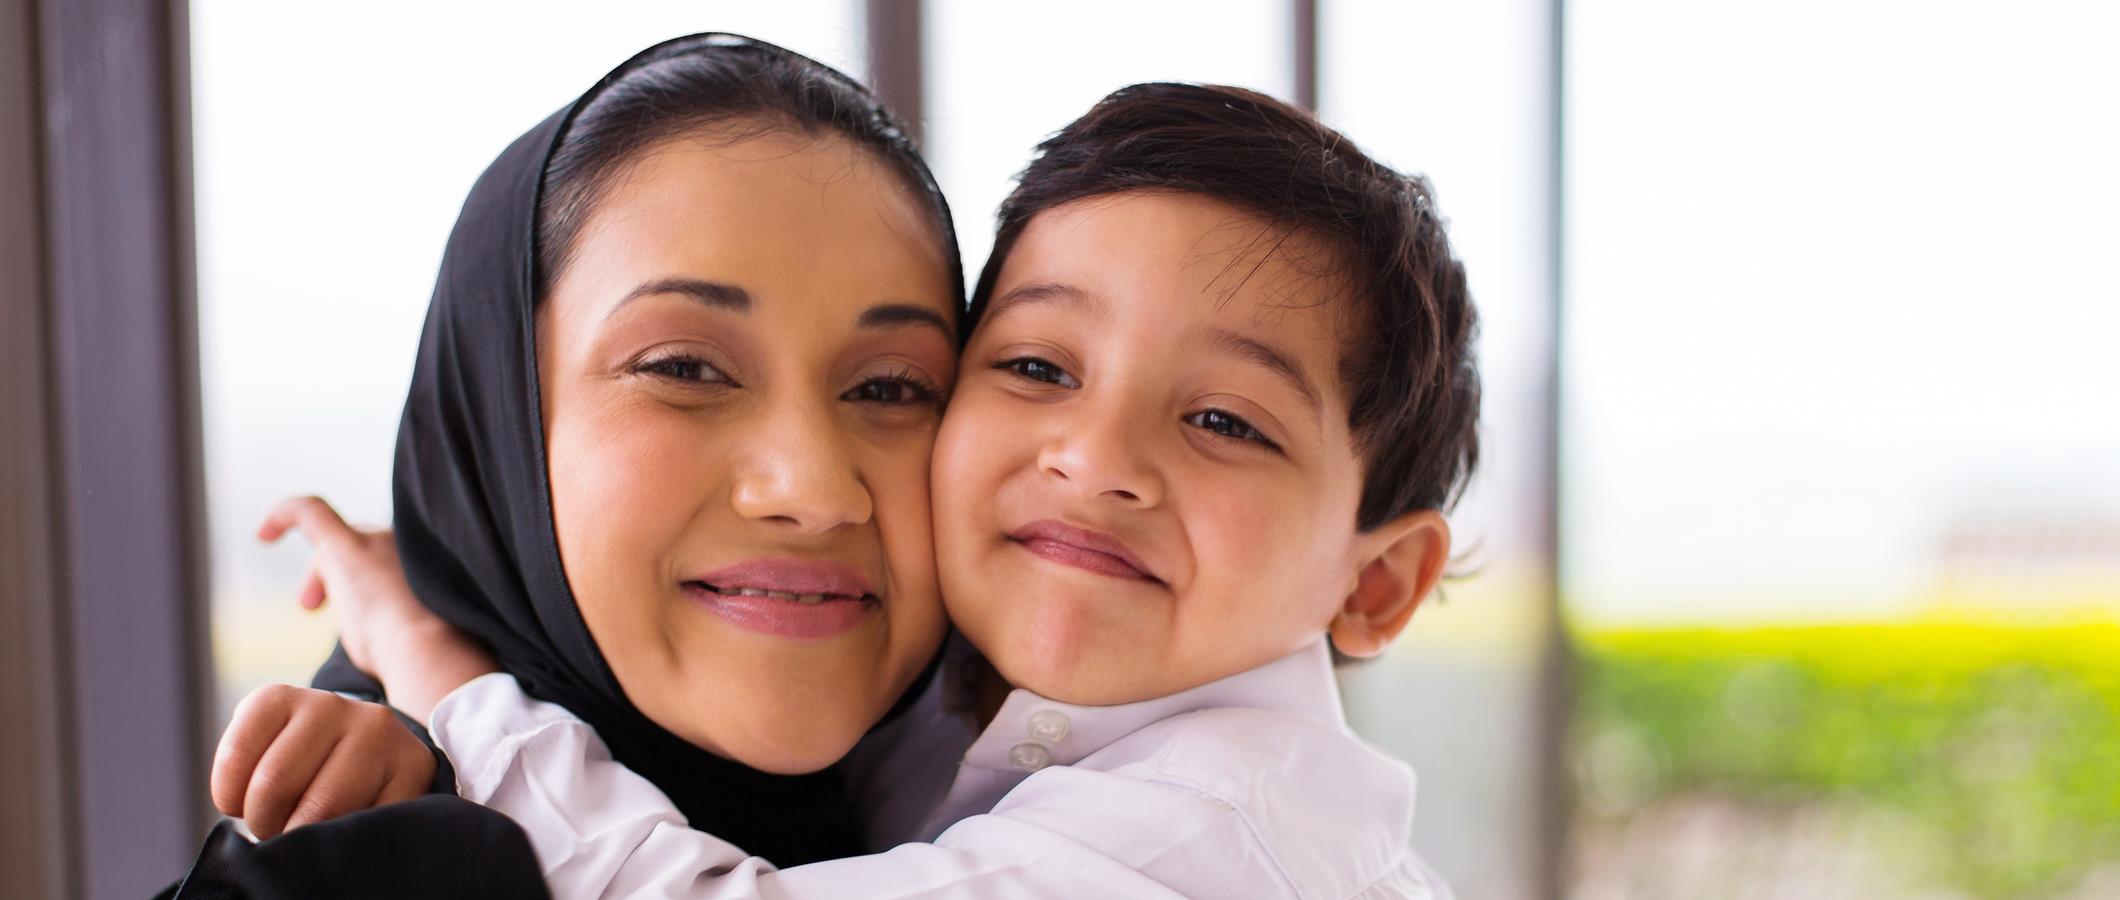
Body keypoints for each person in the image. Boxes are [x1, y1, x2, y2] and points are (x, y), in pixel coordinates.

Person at [224, 81, 1480, 899]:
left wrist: (443, 675)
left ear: (1374, 584)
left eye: (1221, 420)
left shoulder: (1213, 833)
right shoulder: (942, 714)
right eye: (1036, 366)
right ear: (492, 420)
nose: (1093, 461)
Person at [181, 31, 968, 893]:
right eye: (683, 369)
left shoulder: (1030, 814)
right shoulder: (363, 858)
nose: (815, 490)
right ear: (497, 429)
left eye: (891, 388)